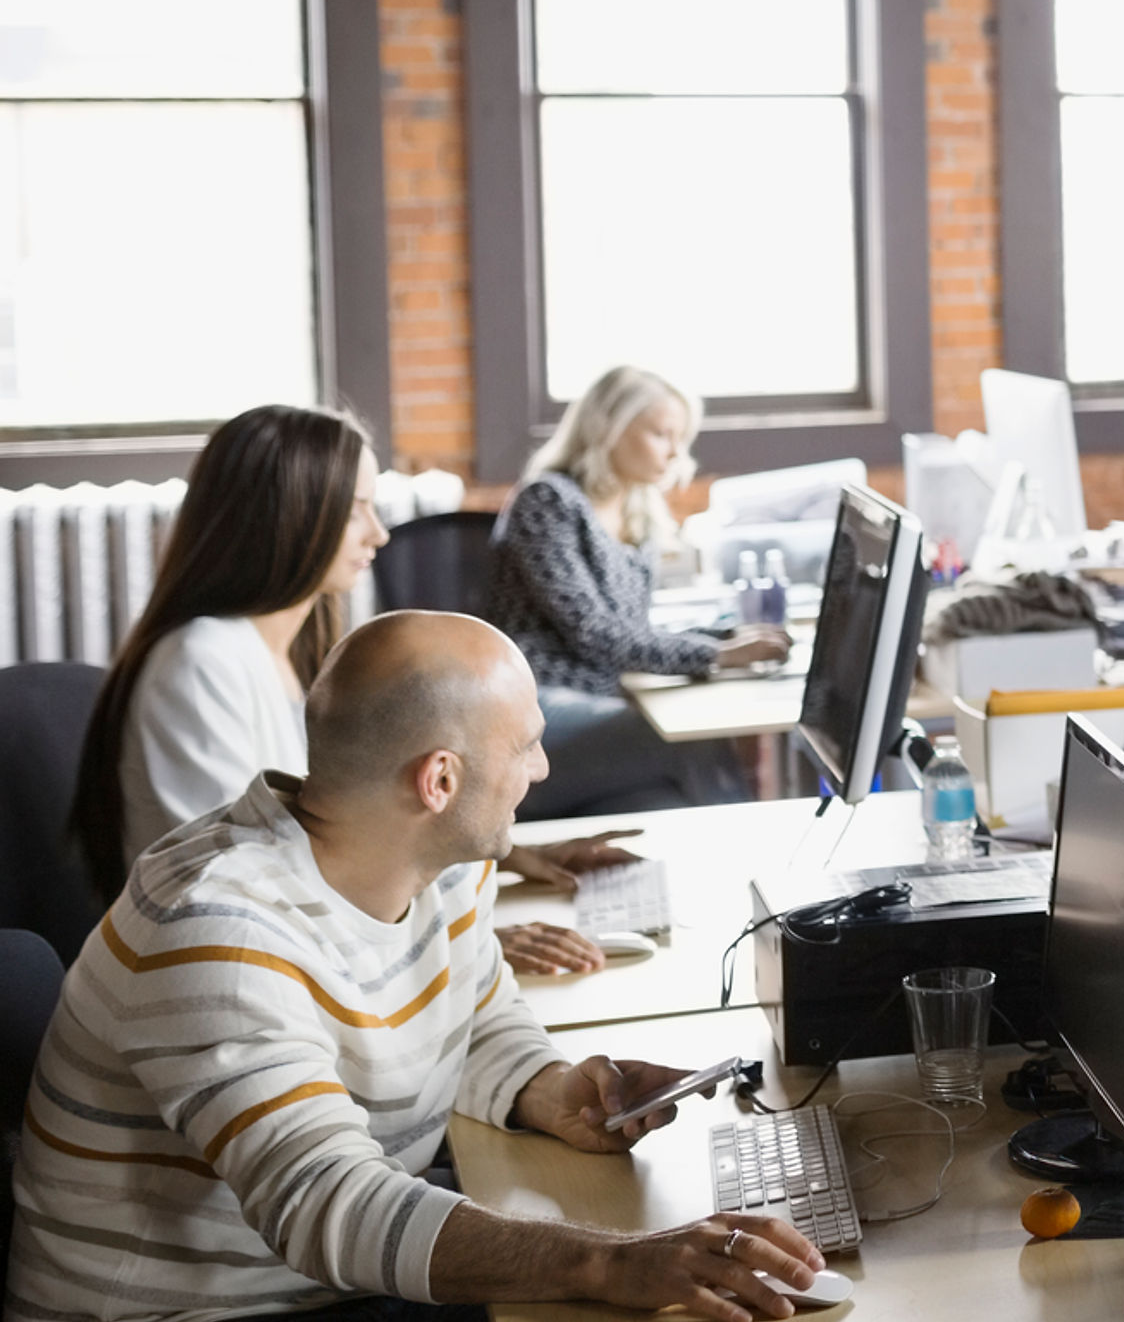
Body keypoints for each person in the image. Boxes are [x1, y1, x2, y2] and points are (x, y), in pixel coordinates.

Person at [7, 612, 825, 1322]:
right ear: (439, 779)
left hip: (314, 1286)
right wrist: (611, 1262)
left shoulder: (434, 859)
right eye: (528, 745)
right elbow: (325, 1206)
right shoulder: (218, 932)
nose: (541, 771)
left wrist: (551, 1090)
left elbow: (476, 1018)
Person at [66, 403, 628, 976]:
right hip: (235, 970)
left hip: (293, 951)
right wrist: (445, 946)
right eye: (355, 508)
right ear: (288, 514)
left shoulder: (292, 649)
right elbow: (244, 878)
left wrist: (509, 857)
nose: (379, 532)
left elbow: (353, 826)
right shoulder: (201, 661)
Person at [486, 365, 785, 818]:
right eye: (662, 435)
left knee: (665, 806)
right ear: (607, 428)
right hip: (533, 710)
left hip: (598, 701)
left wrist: (726, 638)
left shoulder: (638, 513)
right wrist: (716, 656)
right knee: (687, 741)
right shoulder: (547, 501)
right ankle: (765, 869)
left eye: (680, 439)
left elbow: (633, 631)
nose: (675, 455)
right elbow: (595, 632)